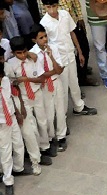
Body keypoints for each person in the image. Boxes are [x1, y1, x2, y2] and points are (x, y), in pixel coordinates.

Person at [40, 0, 97, 114]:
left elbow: (72, 33)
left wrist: (79, 52)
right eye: (48, 7)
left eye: (54, 6)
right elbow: (45, 44)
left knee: (74, 82)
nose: (52, 10)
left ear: (58, 5)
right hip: (58, 60)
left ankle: (78, 107)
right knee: (63, 88)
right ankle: (63, 115)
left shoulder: (65, 15)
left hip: (70, 54)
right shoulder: (44, 23)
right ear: (44, 7)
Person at [5, 35, 50, 172]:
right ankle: (35, 160)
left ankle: (44, 147)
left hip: (36, 93)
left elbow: (41, 78)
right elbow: (12, 86)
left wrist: (26, 79)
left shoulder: (32, 58)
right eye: (19, 53)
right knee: (30, 130)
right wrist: (20, 106)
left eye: (24, 51)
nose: (23, 55)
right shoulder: (10, 65)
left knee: (42, 121)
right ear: (13, 53)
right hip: (23, 98)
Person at [29, 24, 66, 153]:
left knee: (60, 109)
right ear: (34, 40)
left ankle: (61, 136)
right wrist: (52, 71)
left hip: (56, 82)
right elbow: (40, 75)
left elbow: (59, 70)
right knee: (48, 113)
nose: (45, 39)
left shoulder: (53, 48)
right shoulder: (33, 54)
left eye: (45, 36)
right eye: (41, 37)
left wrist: (51, 57)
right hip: (43, 85)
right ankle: (50, 137)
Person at [0, 61, 24, 195]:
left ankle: (18, 168)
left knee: (18, 143)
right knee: (6, 151)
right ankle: (8, 181)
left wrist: (17, 113)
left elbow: (9, 98)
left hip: (11, 117)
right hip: (2, 123)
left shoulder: (5, 81)